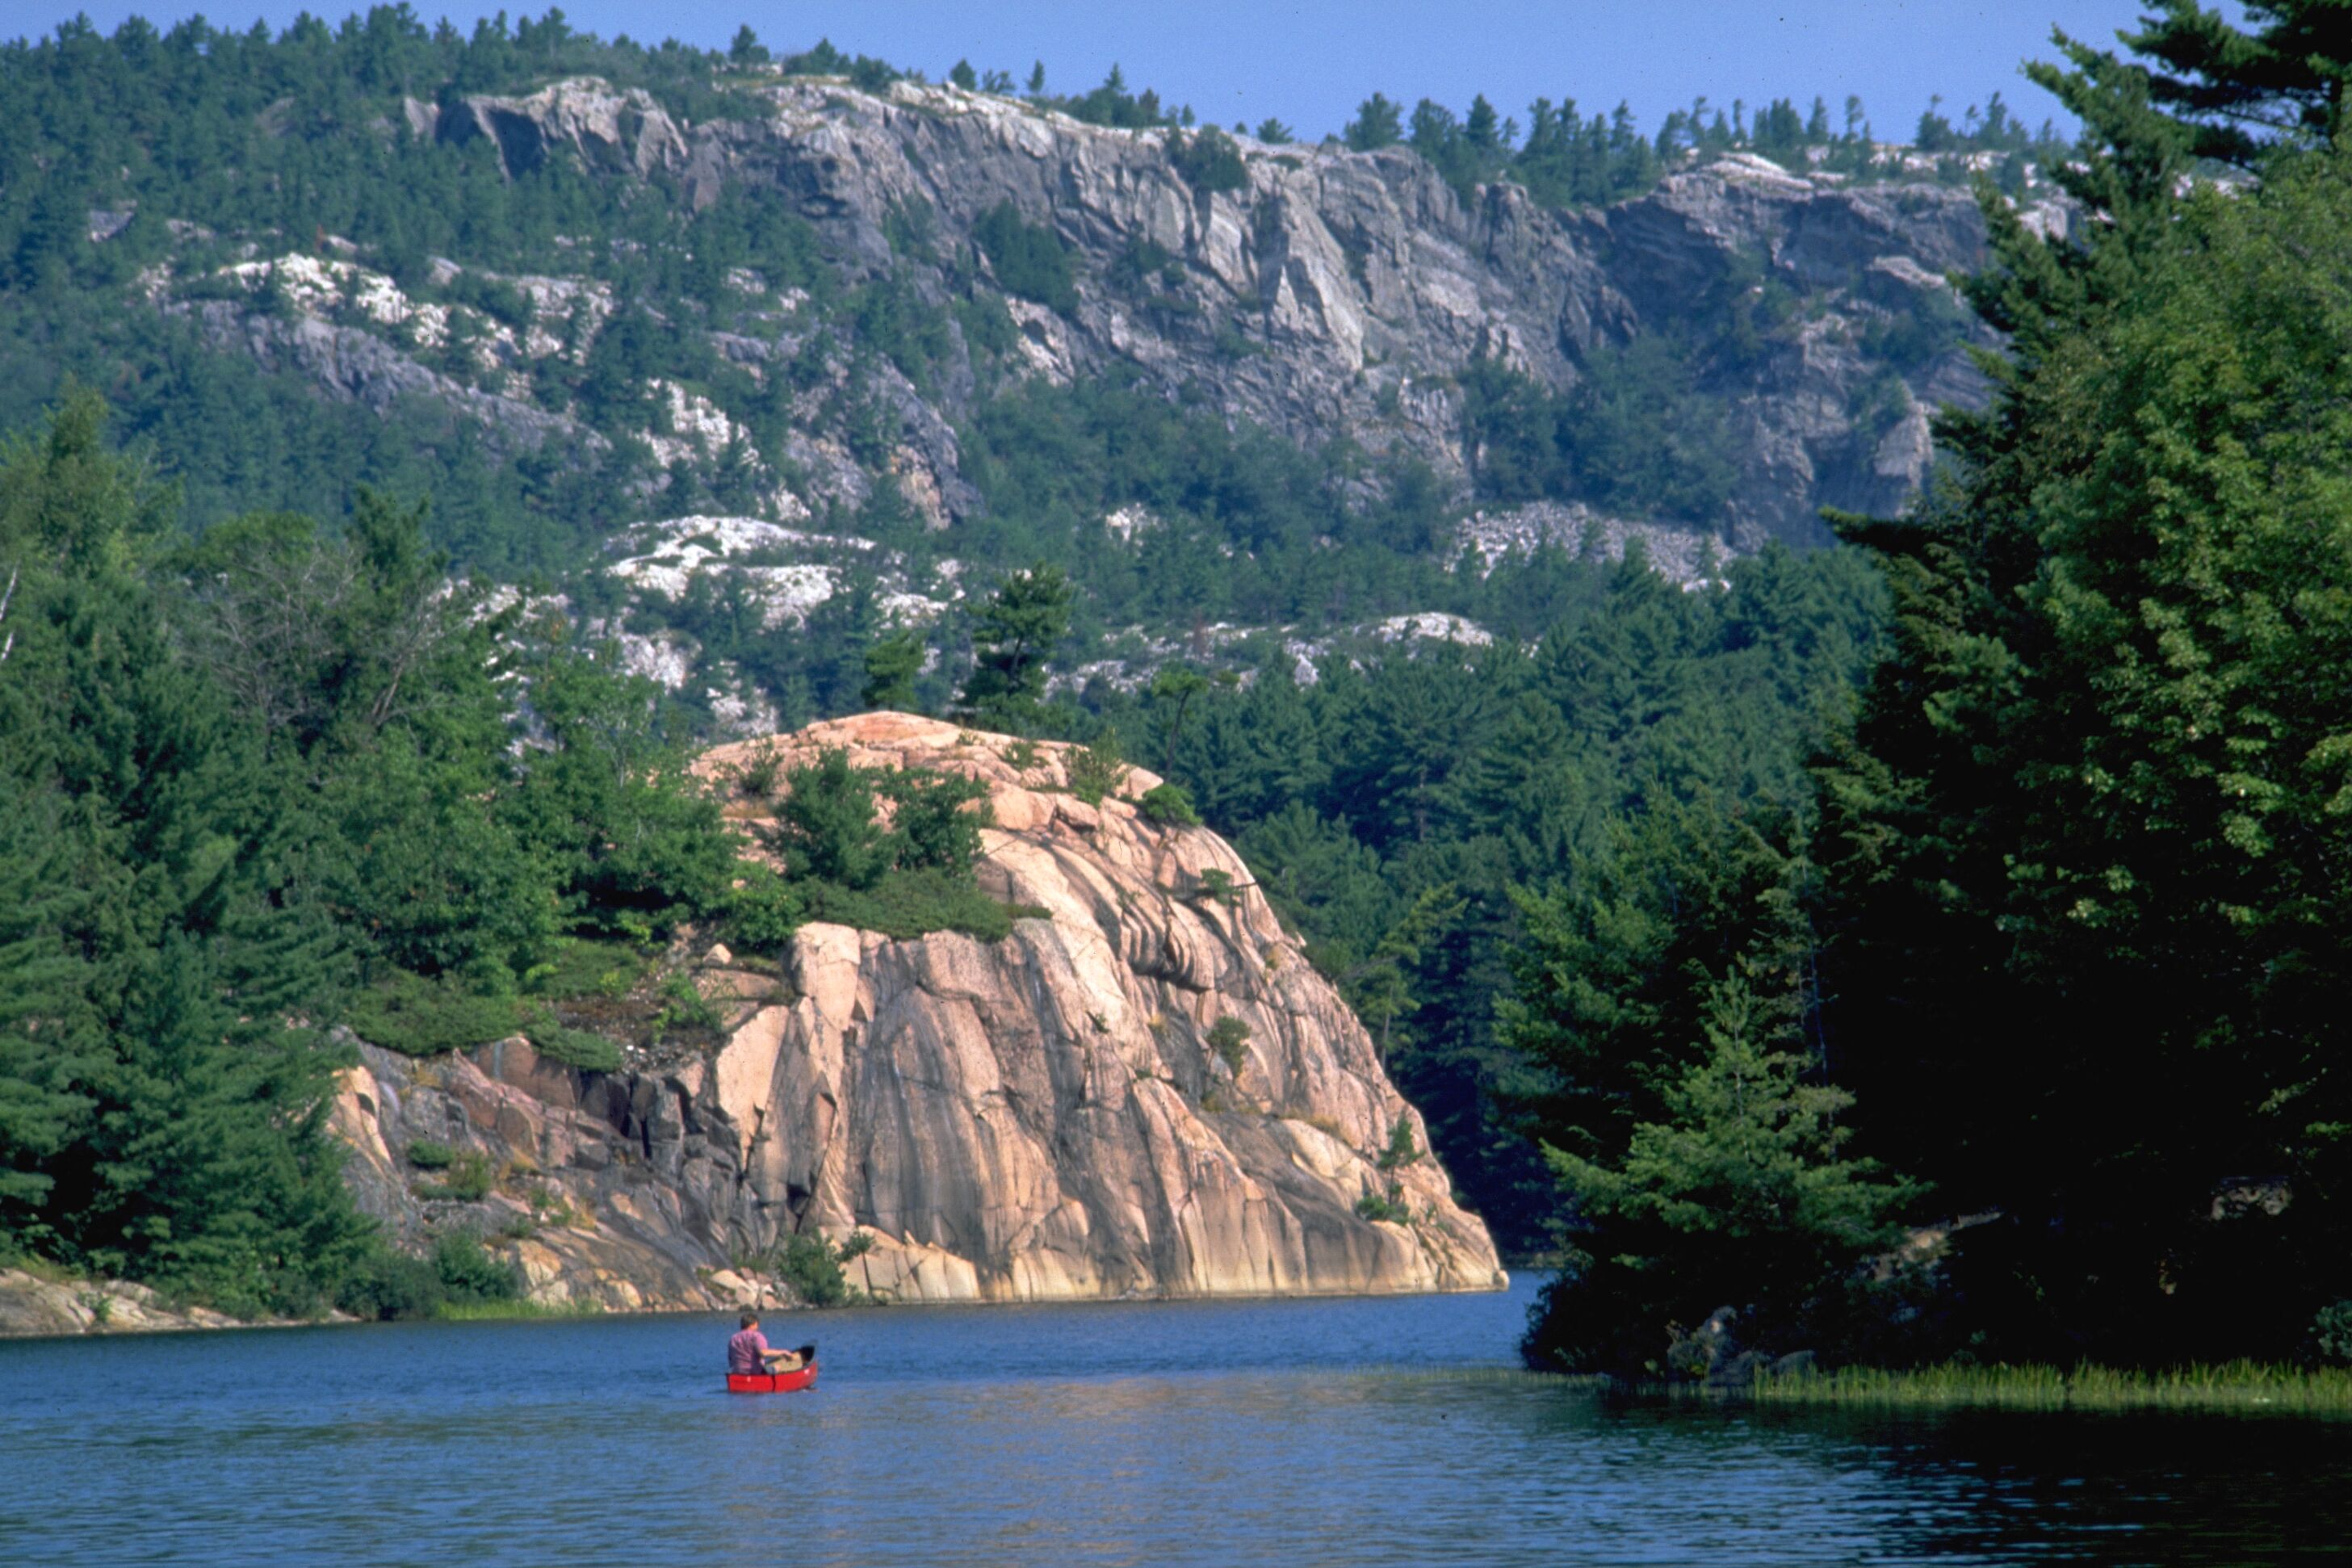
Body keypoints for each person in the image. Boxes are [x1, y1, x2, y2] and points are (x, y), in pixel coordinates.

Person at [727, 1310, 802, 1374]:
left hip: (737, 1372)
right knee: (778, 1367)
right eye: (757, 1325)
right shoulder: (757, 1336)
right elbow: (764, 1353)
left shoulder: (733, 1338)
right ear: (754, 1324)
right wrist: (783, 1352)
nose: (758, 1327)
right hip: (756, 1372)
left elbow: (730, 1359)